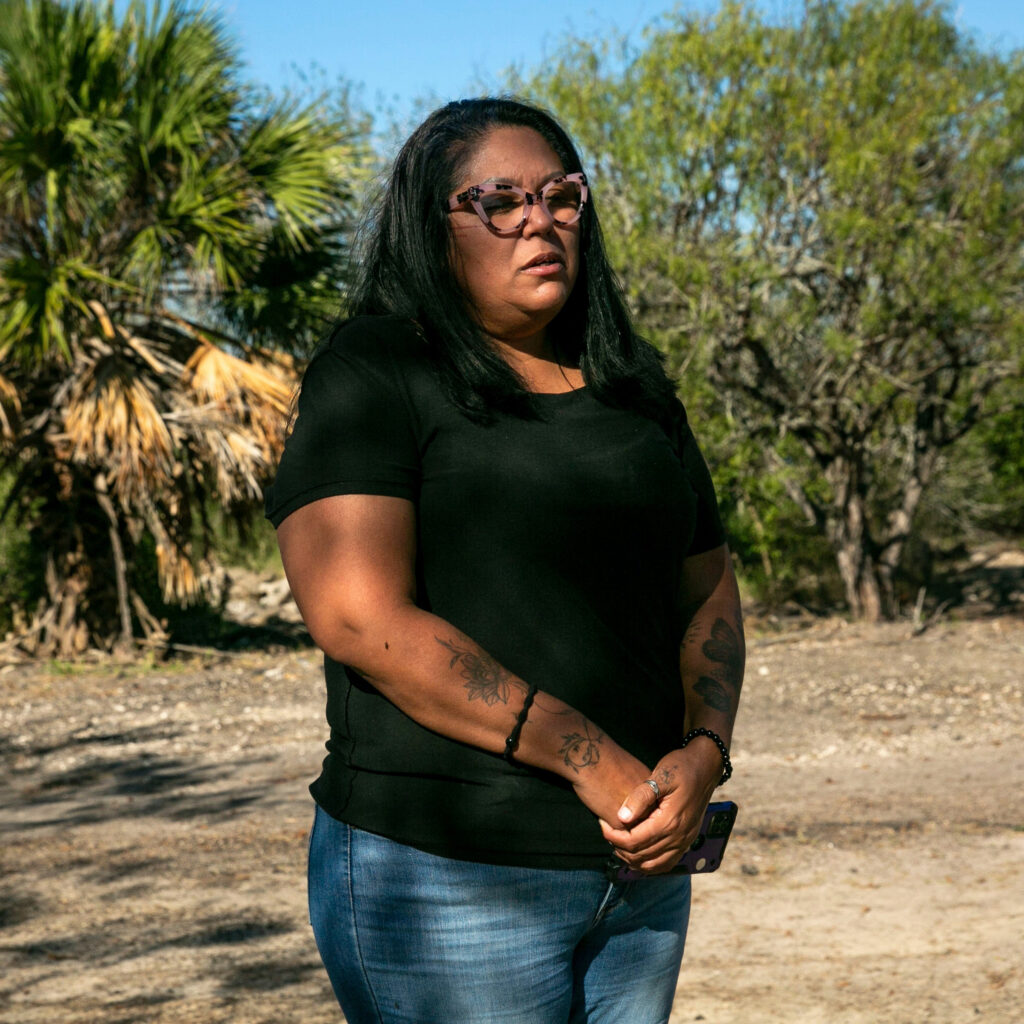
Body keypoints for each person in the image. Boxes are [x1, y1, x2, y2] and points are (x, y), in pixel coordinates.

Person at [265, 96, 744, 1024]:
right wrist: (589, 758)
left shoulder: (636, 388)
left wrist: (705, 752)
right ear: (432, 226)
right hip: (445, 877)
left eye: (562, 196)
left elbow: (709, 585)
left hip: (639, 875)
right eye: (499, 201)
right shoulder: (378, 370)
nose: (539, 221)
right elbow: (358, 616)